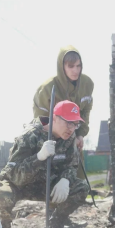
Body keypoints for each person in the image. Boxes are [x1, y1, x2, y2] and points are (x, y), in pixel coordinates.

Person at [0, 100, 89, 228]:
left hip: (44, 182)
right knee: (1, 194)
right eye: (68, 123)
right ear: (55, 118)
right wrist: (39, 157)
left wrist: (65, 180)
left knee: (81, 187)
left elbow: (71, 165)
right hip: (18, 183)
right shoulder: (29, 136)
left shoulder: (69, 138)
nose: (71, 128)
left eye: (75, 124)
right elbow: (14, 174)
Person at [32, 45, 94, 178]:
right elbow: (40, 121)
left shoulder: (87, 84)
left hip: (74, 137)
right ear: (62, 66)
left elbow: (86, 111)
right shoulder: (46, 90)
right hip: (51, 141)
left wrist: (80, 134)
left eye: (78, 66)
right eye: (71, 66)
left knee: (78, 182)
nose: (75, 70)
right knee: (52, 181)